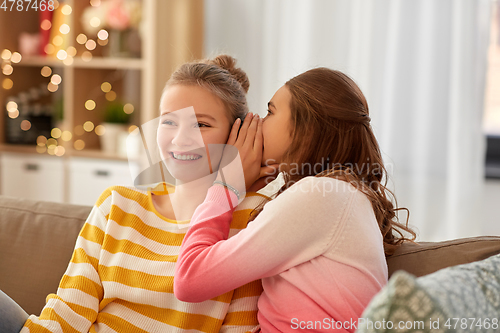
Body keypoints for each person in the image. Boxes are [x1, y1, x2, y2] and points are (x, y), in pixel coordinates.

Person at [0, 55, 273, 333]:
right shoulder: (116, 204)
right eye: (169, 122)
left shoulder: (252, 222)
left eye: (201, 124)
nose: (180, 138)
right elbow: (67, 315)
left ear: (236, 136)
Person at [174, 68, 416, 333]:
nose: (256, 121)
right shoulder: (339, 194)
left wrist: (225, 184)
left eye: (270, 111)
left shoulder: (321, 196)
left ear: (306, 130)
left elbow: (190, 280)